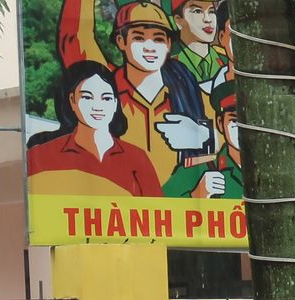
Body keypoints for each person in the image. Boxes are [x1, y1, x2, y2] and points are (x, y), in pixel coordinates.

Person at [57, 0, 212, 186]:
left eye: (158, 39)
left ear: (169, 44)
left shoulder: (190, 94)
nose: (149, 47)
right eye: (139, 38)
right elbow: (75, 39)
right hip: (118, 205)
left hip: (177, 206)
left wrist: (203, 137)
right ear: (121, 41)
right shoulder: (105, 91)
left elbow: (229, 140)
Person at [26, 62, 166, 198]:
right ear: (72, 100)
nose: (97, 106)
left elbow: (157, 212)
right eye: (87, 97)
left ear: (115, 103)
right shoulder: (41, 156)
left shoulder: (137, 158)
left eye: (106, 98)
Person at [163, 89, 243, 198]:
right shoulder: (199, 169)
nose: (243, 129)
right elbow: (156, 204)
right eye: (234, 121)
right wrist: (197, 194)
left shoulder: (271, 170)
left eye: (251, 121)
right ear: (220, 123)